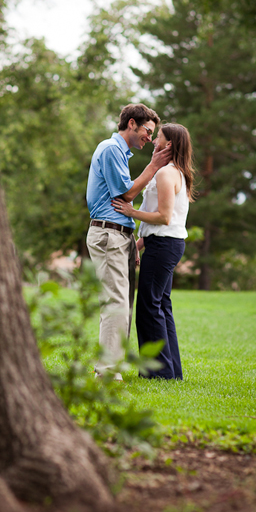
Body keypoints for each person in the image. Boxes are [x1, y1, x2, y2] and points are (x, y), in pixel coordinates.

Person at [85, 103, 172, 379]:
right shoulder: (111, 149)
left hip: (118, 235)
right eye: (148, 131)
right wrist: (154, 165)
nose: (150, 137)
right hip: (108, 234)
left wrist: (131, 238)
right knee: (116, 304)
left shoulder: (120, 153)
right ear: (132, 124)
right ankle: (108, 373)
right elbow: (125, 196)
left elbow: (123, 201)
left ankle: (112, 368)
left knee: (121, 304)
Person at [111, 123, 196, 380]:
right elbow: (159, 225)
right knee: (161, 306)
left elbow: (164, 217)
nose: (152, 138)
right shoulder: (170, 172)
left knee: (149, 307)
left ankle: (158, 373)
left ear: (168, 144)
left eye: (157, 136)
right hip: (163, 245)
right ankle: (170, 372)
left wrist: (131, 212)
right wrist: (138, 244)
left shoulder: (166, 174)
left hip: (164, 246)